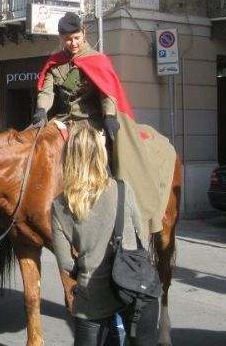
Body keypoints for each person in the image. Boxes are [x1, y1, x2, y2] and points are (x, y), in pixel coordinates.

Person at [34, 12, 176, 237]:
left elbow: (107, 92)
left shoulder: (97, 59)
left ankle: (115, 197)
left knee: (104, 148)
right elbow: (47, 90)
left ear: (84, 34)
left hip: (92, 119)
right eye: (68, 39)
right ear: (61, 39)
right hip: (64, 119)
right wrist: (41, 111)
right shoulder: (56, 63)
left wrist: (110, 116)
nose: (73, 43)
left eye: (77, 38)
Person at [51, 123, 158, 345]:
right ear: (101, 154)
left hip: (92, 296)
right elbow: (140, 233)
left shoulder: (60, 206)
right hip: (135, 287)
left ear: (68, 158)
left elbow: (65, 263)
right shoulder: (123, 189)